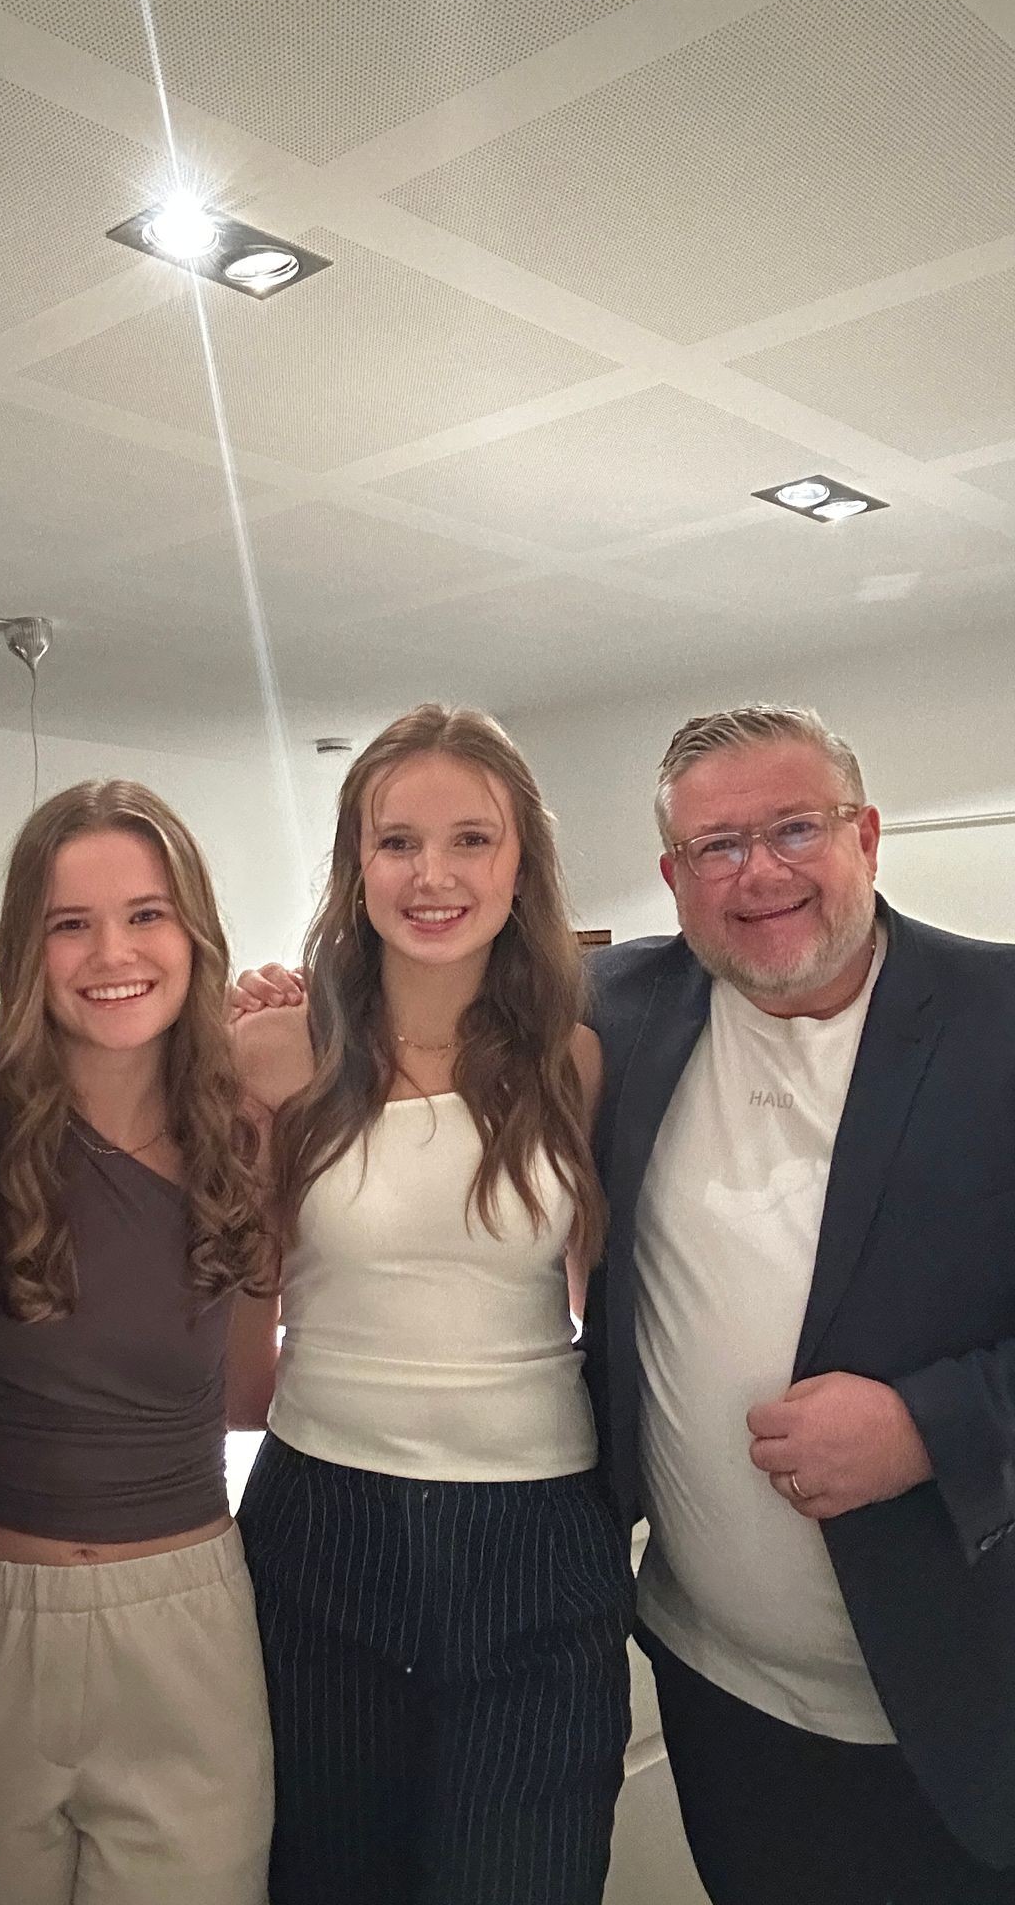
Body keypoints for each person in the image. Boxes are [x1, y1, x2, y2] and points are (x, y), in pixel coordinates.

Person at [583, 704, 1015, 1904]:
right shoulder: (615, 1009)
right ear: (673, 877)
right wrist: (281, 1008)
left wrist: (931, 1426)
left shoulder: (1000, 1020)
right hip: (720, 1696)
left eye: (794, 829)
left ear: (866, 835)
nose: (759, 872)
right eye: (717, 846)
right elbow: (422, 1022)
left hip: (969, 1713)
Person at [230, 704, 632, 1905]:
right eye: (398, 842)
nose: (433, 875)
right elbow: (241, 1367)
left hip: (540, 1545)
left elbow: (605, 1300)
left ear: (521, 865)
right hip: (321, 1530)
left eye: (472, 839)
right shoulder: (270, 1057)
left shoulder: (574, 1063)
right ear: (356, 865)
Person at [0, 779, 276, 1905]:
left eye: (145, 915)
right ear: (23, 951)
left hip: (186, 1625)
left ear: (195, 932)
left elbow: (247, 1395)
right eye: (69, 924)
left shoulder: (248, 1136)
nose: (112, 953)